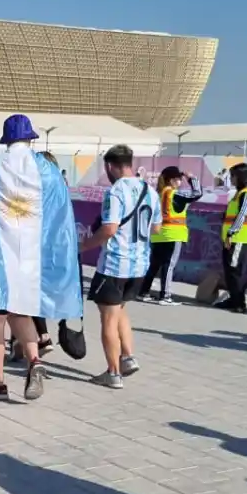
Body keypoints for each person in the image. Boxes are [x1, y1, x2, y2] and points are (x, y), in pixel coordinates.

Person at [0, 114, 81, 402]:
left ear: (6, 139)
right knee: (20, 310)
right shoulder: (48, 171)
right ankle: (34, 359)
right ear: (30, 138)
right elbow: (60, 217)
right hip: (32, 255)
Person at [81, 144, 160, 388]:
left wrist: (84, 247)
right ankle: (127, 356)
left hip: (115, 263)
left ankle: (113, 372)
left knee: (108, 317)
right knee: (121, 310)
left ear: (110, 166)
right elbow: (156, 228)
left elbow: (110, 228)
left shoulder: (115, 192)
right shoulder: (150, 191)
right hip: (139, 264)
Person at [140, 167, 202, 304]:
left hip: (158, 234)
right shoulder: (174, 194)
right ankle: (165, 295)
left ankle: (143, 291)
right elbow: (197, 194)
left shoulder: (159, 193)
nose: (181, 182)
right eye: (179, 179)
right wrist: (192, 179)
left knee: (154, 265)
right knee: (169, 265)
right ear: (172, 180)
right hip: (172, 234)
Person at [218, 162, 247, 313]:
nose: (231, 179)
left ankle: (239, 303)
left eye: (233, 176)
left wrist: (231, 232)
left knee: (235, 270)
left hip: (238, 238)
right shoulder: (238, 193)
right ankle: (233, 299)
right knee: (230, 270)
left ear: (240, 176)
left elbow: (242, 215)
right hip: (231, 238)